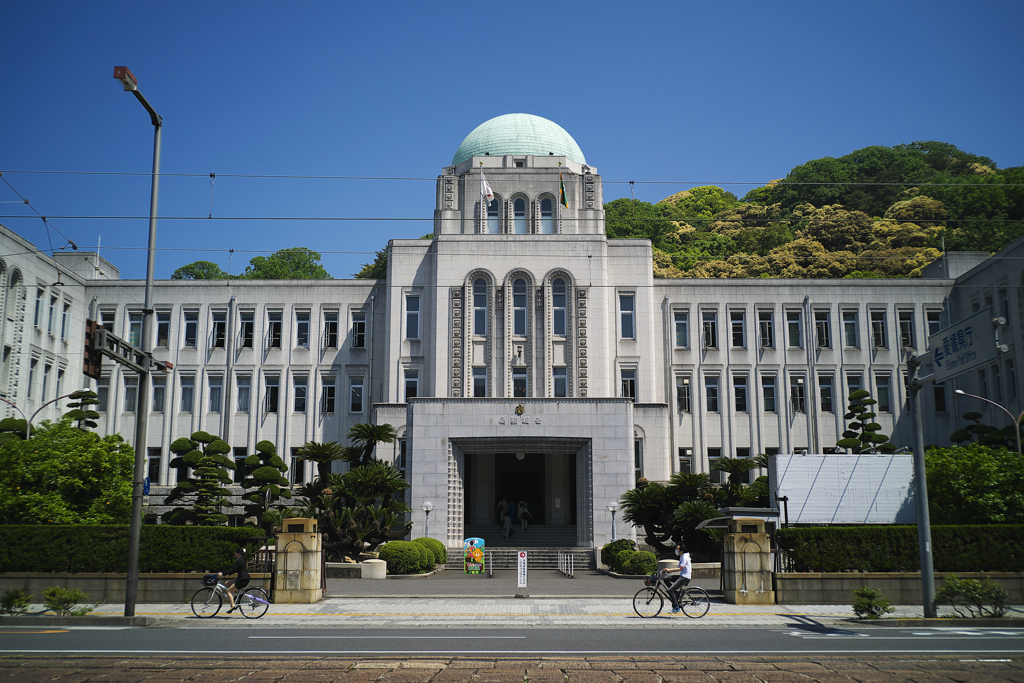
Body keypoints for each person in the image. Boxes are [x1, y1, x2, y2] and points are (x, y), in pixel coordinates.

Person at [660, 543, 692, 613]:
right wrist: (669, 570)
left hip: (684, 578)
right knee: (666, 579)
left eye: (677, 549)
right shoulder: (682, 556)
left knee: (669, 590)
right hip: (682, 576)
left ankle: (676, 607)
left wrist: (669, 570)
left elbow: (680, 568)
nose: (676, 550)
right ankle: (675, 593)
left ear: (681, 550)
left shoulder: (684, 557)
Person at [217, 547, 250, 614]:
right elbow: (234, 570)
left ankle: (232, 606)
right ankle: (236, 596)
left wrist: (223, 573)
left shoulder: (239, 560)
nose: (234, 554)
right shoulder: (241, 559)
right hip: (243, 579)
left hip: (242, 580)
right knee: (227, 583)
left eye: (235, 553)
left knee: (228, 591)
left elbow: (233, 570)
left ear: (238, 554)